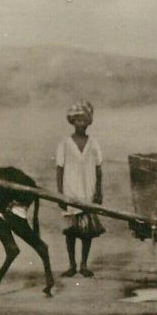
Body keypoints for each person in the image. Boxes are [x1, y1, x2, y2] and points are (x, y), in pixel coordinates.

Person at [56, 100, 105, 277]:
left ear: (88, 122)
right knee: (71, 231)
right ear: (72, 122)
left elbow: (99, 169)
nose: (81, 124)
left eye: (84, 120)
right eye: (77, 121)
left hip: (88, 192)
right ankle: (72, 265)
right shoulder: (65, 144)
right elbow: (60, 169)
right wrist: (60, 194)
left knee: (86, 232)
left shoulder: (93, 144)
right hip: (71, 192)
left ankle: (84, 264)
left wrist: (99, 191)